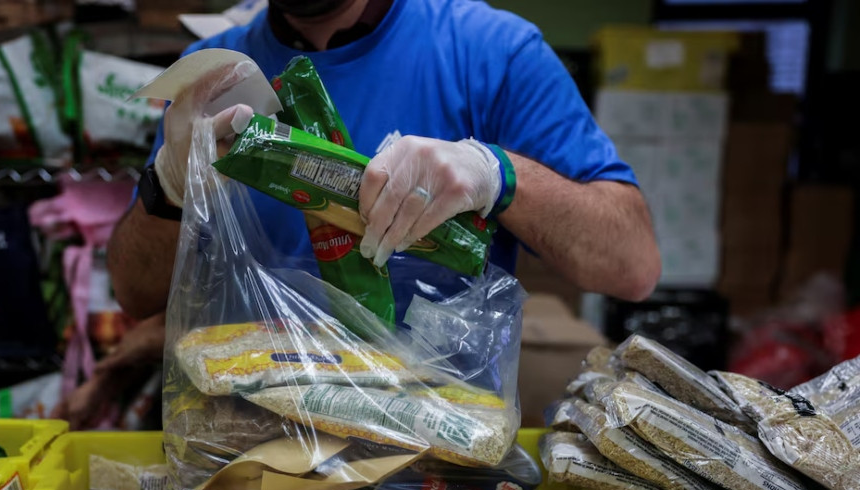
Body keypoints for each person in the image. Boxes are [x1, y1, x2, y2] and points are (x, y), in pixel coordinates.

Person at [108, 0, 661, 321]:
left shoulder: (493, 52)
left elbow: (632, 266)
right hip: (254, 444)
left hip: (435, 451)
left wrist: (497, 174)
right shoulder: (211, 76)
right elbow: (137, 295)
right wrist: (168, 189)